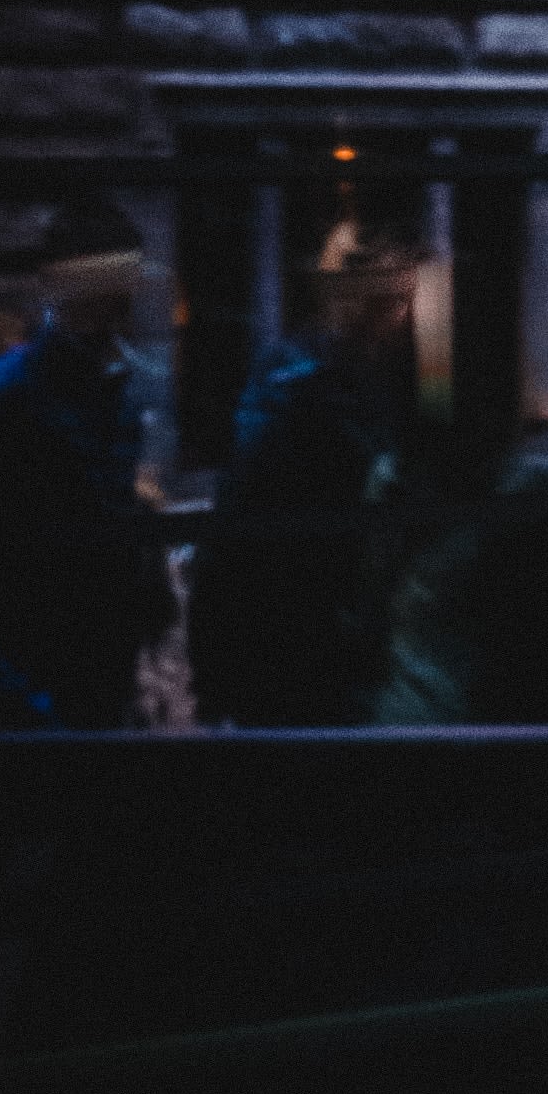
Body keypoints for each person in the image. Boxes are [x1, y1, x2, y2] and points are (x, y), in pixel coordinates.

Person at [187, 218, 419, 725]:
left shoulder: (373, 380)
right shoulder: (308, 385)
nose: (409, 315)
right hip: (302, 628)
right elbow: (242, 521)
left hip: (312, 629)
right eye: (400, 300)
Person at [0, 196, 175, 729]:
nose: (123, 300)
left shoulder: (120, 382)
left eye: (125, 284)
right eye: (110, 285)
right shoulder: (6, 394)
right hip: (39, 657)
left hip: (97, 653)